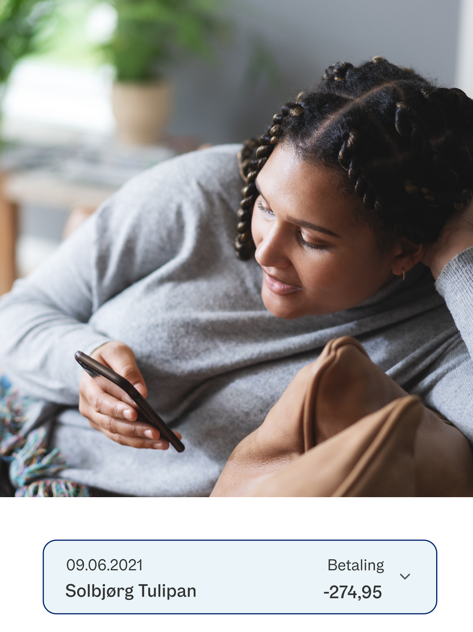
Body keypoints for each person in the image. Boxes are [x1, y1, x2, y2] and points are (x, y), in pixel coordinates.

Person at [1, 55, 473, 497]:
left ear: (404, 249)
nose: (264, 252)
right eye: (265, 206)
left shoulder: (441, 334)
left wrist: (457, 254)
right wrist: (80, 366)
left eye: (311, 239)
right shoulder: (200, 192)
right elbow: (17, 312)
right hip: (22, 441)